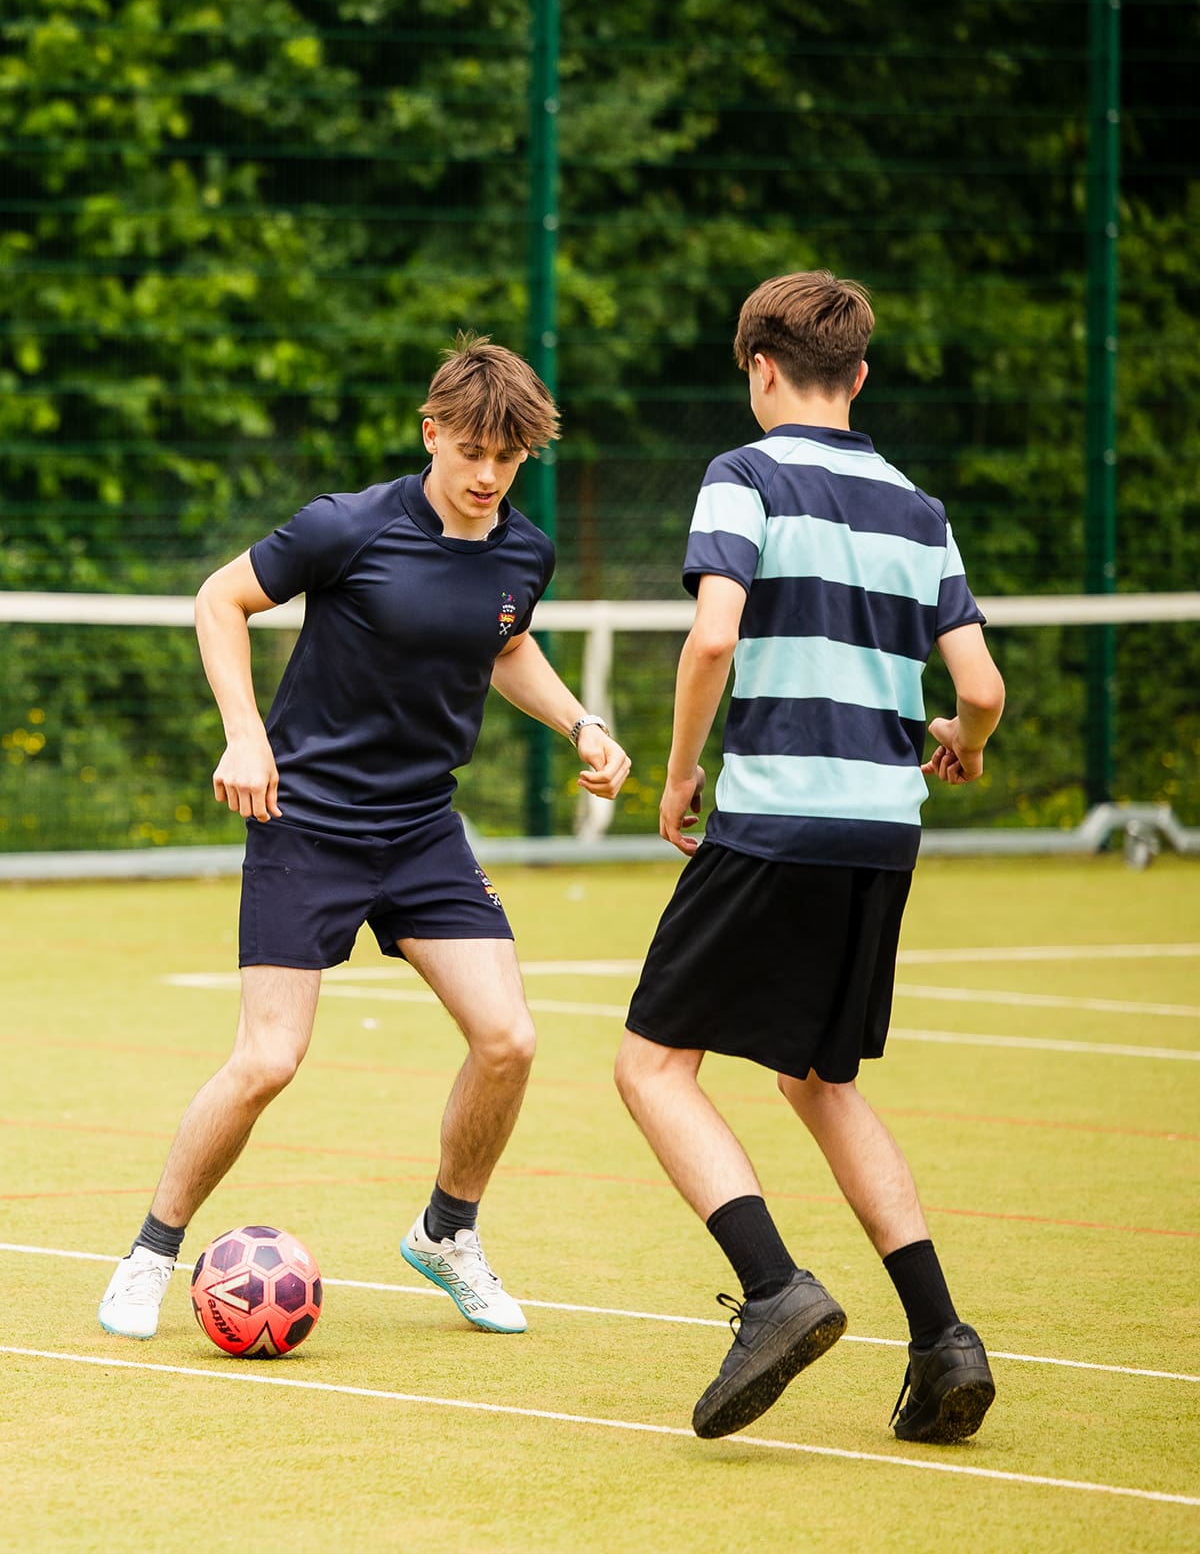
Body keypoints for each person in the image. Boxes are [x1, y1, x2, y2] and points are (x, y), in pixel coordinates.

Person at [99, 334, 630, 1341]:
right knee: (267, 1061)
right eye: (470, 450)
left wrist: (582, 724)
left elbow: (506, 642)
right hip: (306, 823)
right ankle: (151, 1254)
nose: (486, 476)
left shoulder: (525, 550)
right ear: (432, 432)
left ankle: (448, 1234)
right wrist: (246, 737)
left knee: (509, 1039)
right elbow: (220, 600)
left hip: (423, 828)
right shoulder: (347, 527)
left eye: (508, 458)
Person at [615, 272, 1005, 1443]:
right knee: (821, 1080)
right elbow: (981, 687)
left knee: (652, 1067)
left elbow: (715, 634)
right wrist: (961, 744)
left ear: (760, 371)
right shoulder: (918, 507)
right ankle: (943, 1342)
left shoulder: (746, 474)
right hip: (882, 830)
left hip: (776, 813)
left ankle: (776, 1290)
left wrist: (682, 769)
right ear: (863, 376)